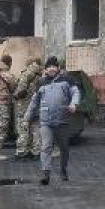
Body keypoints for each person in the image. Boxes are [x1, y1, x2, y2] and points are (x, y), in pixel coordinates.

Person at [28, 58, 80, 187]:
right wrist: (27, 116)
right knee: (46, 147)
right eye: (49, 67)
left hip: (62, 120)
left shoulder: (66, 80)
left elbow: (75, 92)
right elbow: (34, 101)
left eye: (53, 66)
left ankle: (63, 170)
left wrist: (74, 104)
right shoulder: (41, 83)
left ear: (58, 68)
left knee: (64, 148)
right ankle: (45, 174)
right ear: (45, 69)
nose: (51, 69)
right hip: (46, 121)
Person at [13, 56, 44, 160]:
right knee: (35, 130)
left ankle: (22, 152)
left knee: (23, 129)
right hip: (36, 106)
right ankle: (35, 151)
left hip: (24, 106)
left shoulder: (26, 74)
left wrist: (15, 96)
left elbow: (21, 91)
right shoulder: (41, 74)